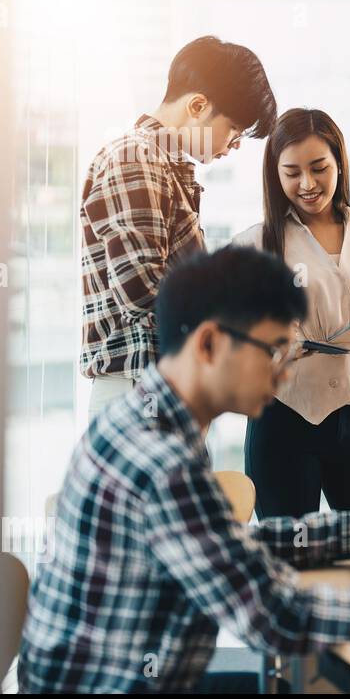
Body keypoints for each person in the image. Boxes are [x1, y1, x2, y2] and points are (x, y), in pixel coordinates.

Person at [17, 246, 350, 693]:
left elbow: (225, 547)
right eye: (274, 349)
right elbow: (277, 615)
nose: (286, 368)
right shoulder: (164, 465)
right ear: (208, 344)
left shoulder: (142, 423)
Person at [80, 35, 278, 418]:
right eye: (234, 129)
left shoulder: (164, 166)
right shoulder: (136, 158)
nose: (234, 144)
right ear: (198, 106)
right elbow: (142, 291)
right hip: (140, 388)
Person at [233, 108, 350, 517]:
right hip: (283, 417)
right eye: (292, 172)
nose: (308, 184)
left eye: (319, 168)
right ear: (274, 175)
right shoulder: (253, 245)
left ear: (339, 162)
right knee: (288, 555)